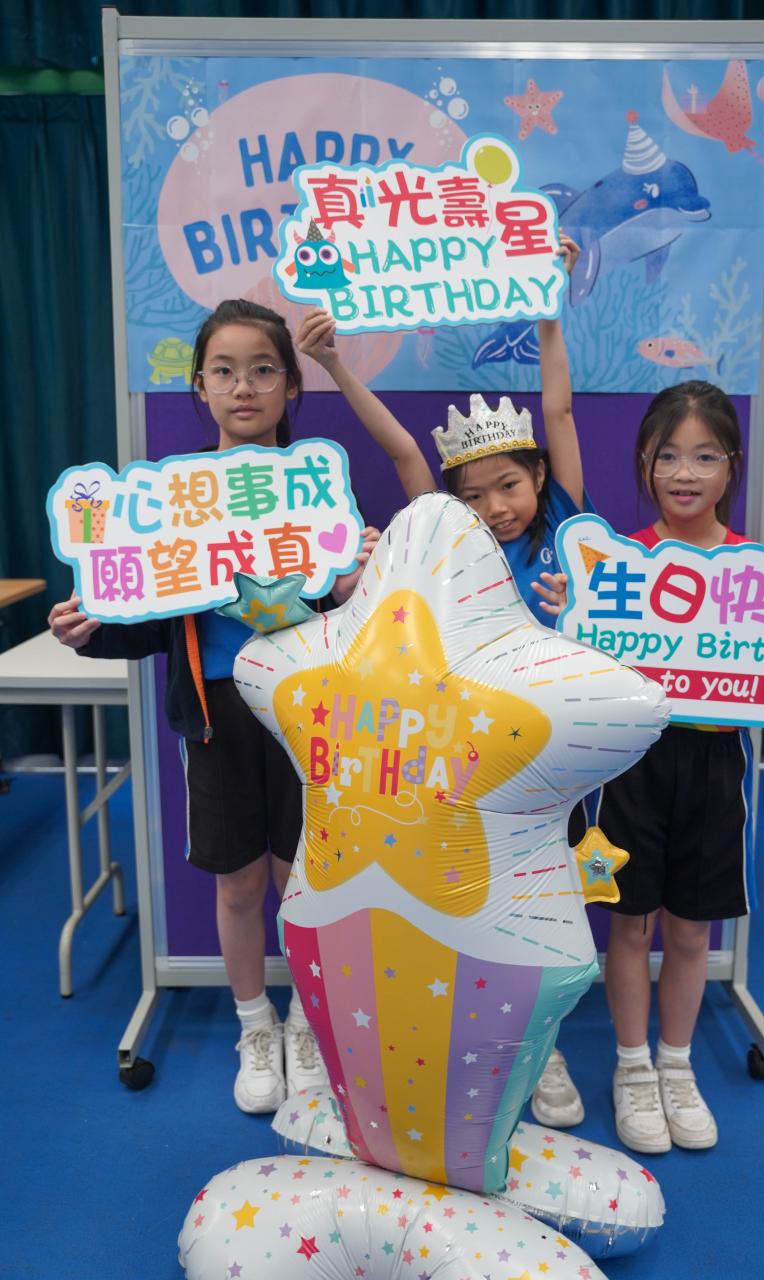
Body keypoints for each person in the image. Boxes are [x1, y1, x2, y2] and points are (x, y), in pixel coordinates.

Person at [48, 299, 381, 1116]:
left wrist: (356, 585)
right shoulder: (170, 502)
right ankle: (253, 1023)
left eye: (263, 370)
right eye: (224, 372)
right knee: (238, 883)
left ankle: (307, 1020)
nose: (243, 387)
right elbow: (152, 621)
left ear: (291, 383)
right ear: (199, 387)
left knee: (306, 882)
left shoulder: (318, 492)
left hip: (308, 714)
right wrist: (91, 629)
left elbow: (360, 623)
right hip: (217, 717)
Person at [294, 233, 588, 1129]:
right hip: (469, 765)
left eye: (510, 485)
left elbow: (559, 407)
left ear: (539, 478)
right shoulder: (446, 549)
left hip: (556, 758)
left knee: (551, 895)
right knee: (481, 900)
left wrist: (547, 310)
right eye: (475, 495)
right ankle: (480, 1037)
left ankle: (546, 1048)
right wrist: (334, 366)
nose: (496, 507)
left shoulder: (566, 528)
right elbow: (403, 461)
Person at [591, 380, 751, 1153]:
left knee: (691, 930)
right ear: (644, 464)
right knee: (630, 921)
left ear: (731, 467)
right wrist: (570, 607)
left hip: (715, 761)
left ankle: (676, 1065)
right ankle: (631, 1067)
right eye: (667, 457)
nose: (684, 473)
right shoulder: (616, 564)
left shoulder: (759, 572)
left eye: (704, 456)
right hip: (633, 758)